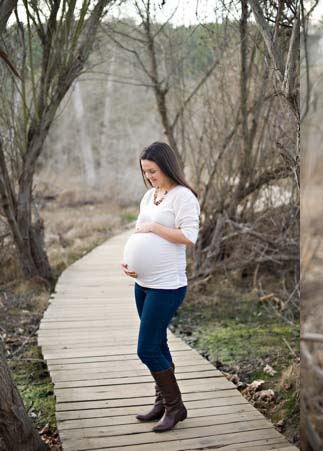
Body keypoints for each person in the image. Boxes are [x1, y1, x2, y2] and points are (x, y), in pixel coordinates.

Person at [121, 142, 200, 432]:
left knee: (147, 349)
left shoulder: (183, 197)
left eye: (153, 171)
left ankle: (175, 407)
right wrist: (129, 261)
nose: (149, 176)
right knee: (159, 343)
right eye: (145, 172)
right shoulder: (149, 196)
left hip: (168, 286)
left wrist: (155, 229)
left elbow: (189, 236)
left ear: (166, 166)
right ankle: (163, 403)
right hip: (142, 284)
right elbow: (139, 231)